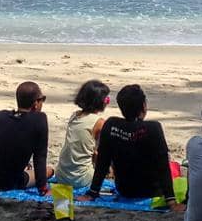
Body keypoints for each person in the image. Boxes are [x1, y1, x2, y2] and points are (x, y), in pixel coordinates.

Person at [78, 84, 182, 212]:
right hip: (153, 191)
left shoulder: (111, 125)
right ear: (143, 106)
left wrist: (92, 193)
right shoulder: (153, 128)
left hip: (125, 190)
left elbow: (102, 162)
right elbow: (163, 166)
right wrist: (171, 202)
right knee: (175, 168)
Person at [0, 81, 53, 194]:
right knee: (49, 170)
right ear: (36, 103)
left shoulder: (1, 115)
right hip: (7, 182)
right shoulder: (40, 120)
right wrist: (43, 189)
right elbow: (40, 157)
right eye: (42, 99)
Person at [55, 79, 110, 189]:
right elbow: (101, 153)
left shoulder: (74, 115)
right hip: (80, 178)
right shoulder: (99, 122)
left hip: (61, 175)